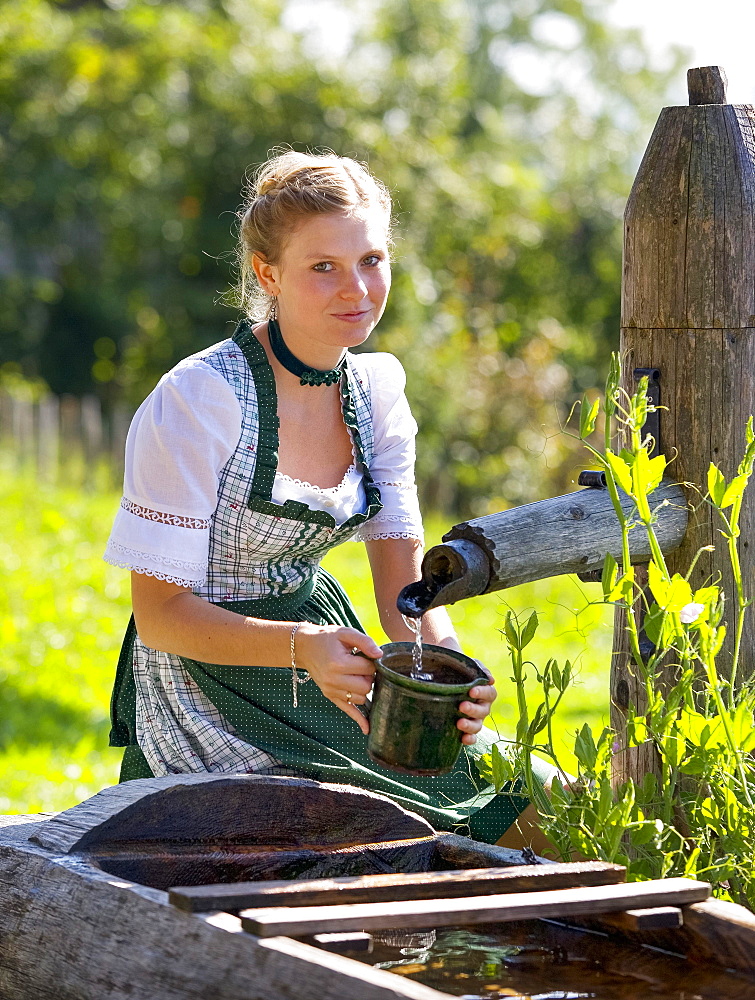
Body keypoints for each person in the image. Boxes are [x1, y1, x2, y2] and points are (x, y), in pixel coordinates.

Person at [105, 150, 551, 845]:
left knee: (535, 802)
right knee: (360, 835)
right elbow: (160, 616)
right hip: (208, 678)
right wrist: (301, 648)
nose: (358, 289)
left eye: (371, 260)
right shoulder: (200, 398)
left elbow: (404, 587)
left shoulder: (376, 393)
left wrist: (447, 675)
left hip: (328, 659)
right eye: (324, 267)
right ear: (267, 273)